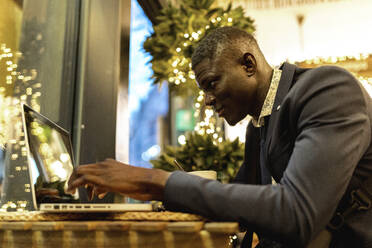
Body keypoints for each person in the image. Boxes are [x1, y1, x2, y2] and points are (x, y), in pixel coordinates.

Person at [67, 27, 372, 247]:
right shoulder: (261, 125)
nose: (208, 100)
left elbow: (295, 214)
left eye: (212, 83)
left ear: (248, 65)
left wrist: (157, 181)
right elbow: (240, 207)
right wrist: (133, 209)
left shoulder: (328, 89)